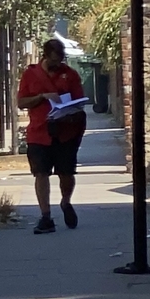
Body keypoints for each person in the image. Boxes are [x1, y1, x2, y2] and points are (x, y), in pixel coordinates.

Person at [18, 37, 88, 234]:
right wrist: (41, 97)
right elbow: (21, 102)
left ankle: (66, 202)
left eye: (61, 60)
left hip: (66, 132)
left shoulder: (70, 75)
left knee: (66, 173)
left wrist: (70, 109)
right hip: (39, 132)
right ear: (46, 56)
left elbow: (79, 101)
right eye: (55, 61)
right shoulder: (30, 75)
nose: (58, 65)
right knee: (41, 173)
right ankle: (46, 216)